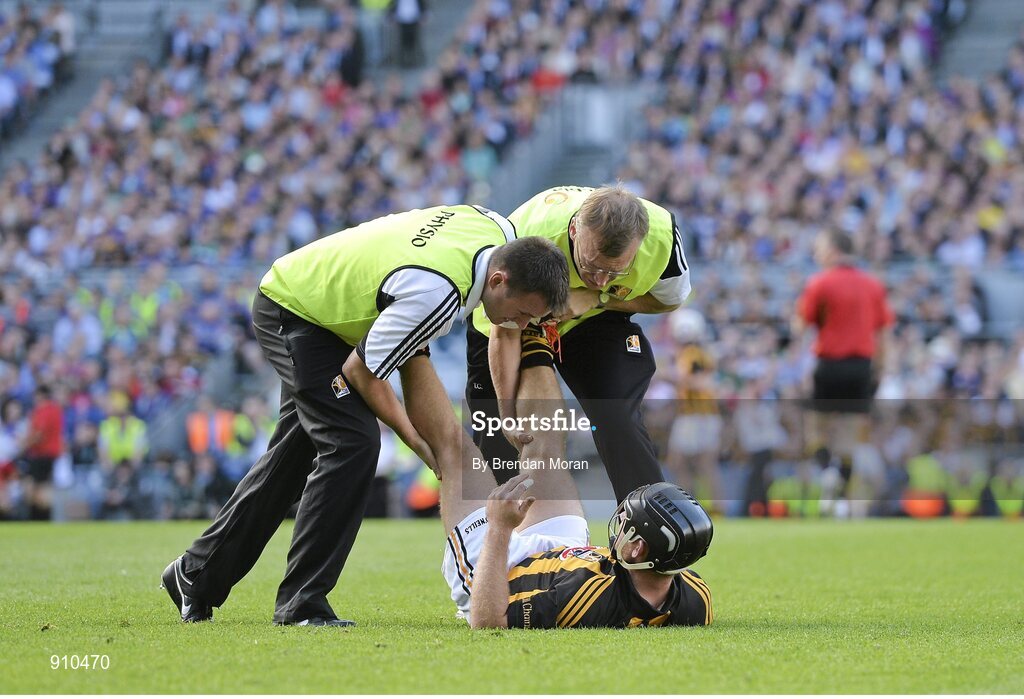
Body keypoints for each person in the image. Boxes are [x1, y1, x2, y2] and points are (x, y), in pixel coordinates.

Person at [162, 204, 568, 627]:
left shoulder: (496, 229)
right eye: (522, 313)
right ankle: (301, 604)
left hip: (329, 303)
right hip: (300, 314)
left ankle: (195, 574)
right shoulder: (439, 295)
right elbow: (363, 373)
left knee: (291, 459)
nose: (521, 324)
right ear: (499, 280)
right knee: (353, 443)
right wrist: (417, 442)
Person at [400, 355, 713, 629]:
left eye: (628, 528)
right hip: (571, 556)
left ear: (638, 550)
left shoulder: (581, 598)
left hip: (498, 574)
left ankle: (412, 349)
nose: (620, 529)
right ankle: (537, 340)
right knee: (546, 442)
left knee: (456, 449)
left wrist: (499, 527)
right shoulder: (696, 597)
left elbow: (487, 620)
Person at [466, 185, 691, 502]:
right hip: (517, 316)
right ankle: (497, 537)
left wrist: (598, 297)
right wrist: (506, 414)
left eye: (615, 272)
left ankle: (645, 525)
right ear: (573, 231)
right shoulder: (528, 237)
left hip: (595, 317)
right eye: (591, 266)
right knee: (497, 432)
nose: (600, 278)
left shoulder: (662, 240)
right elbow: (505, 329)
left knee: (616, 415)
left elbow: (668, 301)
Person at [792, 229, 894, 512]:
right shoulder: (873, 285)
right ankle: (840, 502)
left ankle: (827, 472)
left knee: (815, 428)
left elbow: (801, 326)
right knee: (849, 436)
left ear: (834, 250)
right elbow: (883, 333)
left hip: (829, 365)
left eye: (820, 248)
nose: (816, 254)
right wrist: (881, 370)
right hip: (861, 366)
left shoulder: (820, 283)